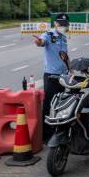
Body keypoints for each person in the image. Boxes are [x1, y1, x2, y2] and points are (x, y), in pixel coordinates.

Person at [33, 13, 69, 143]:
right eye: (60, 24)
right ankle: (45, 135)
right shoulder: (49, 34)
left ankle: (56, 131)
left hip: (63, 76)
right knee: (48, 105)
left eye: (64, 25)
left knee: (60, 105)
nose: (62, 26)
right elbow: (41, 42)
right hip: (51, 76)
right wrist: (39, 42)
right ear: (55, 24)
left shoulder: (64, 37)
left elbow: (65, 56)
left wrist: (69, 70)